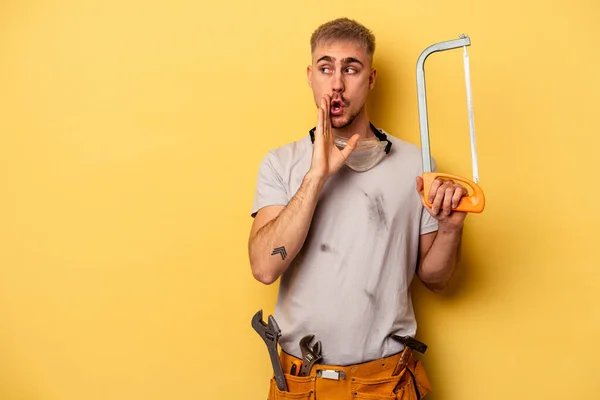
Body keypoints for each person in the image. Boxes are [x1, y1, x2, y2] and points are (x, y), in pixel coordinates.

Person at [248, 17, 468, 400]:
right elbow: (265, 267)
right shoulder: (281, 163)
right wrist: (316, 177)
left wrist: (450, 229)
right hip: (301, 384)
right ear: (310, 76)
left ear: (370, 79)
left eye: (350, 68)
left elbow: (436, 279)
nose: (337, 84)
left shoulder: (417, 165)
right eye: (325, 67)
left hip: (387, 384)